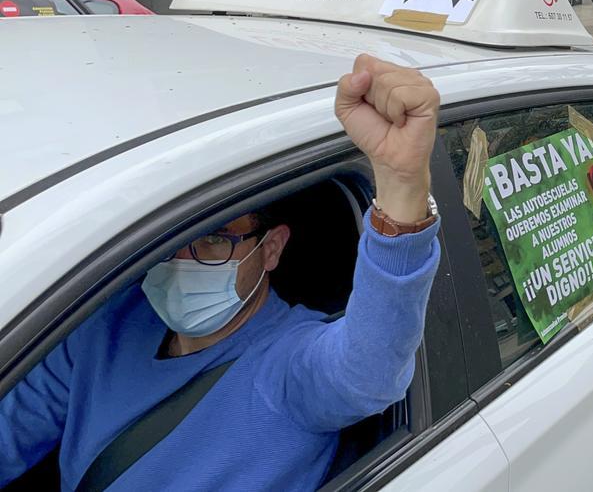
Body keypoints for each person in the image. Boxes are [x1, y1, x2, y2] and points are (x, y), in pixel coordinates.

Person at [0, 54, 442, 490]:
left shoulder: (288, 367)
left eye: (213, 241)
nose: (181, 262)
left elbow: (369, 370)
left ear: (270, 249)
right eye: (170, 243)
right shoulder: (106, 319)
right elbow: (13, 427)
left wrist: (402, 186)